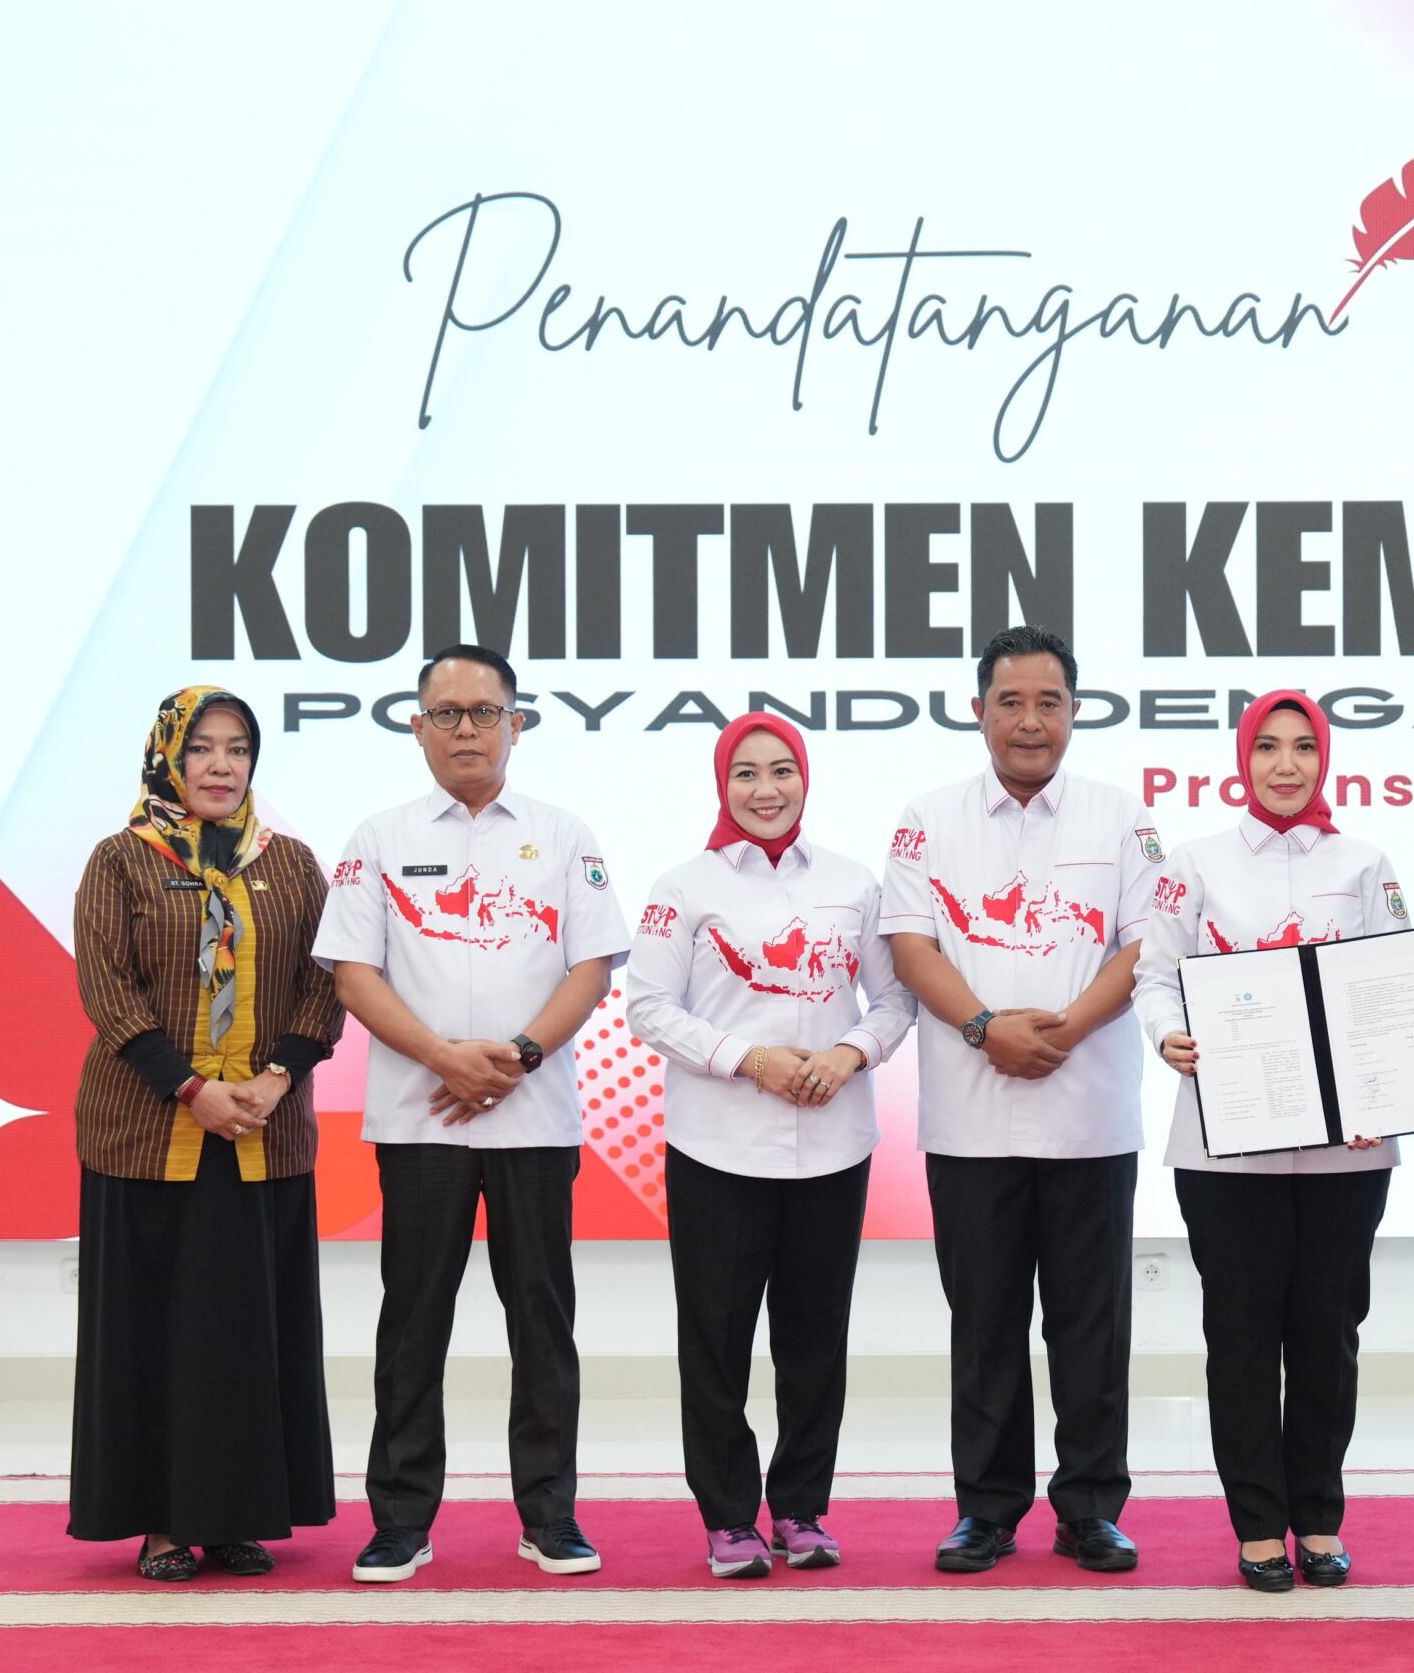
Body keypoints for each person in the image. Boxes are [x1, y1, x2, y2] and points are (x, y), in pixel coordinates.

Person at [312, 644, 631, 1584]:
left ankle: (551, 1517)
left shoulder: (565, 834)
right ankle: (400, 1521)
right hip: (422, 1119)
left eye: (484, 712)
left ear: (515, 724)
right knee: (414, 1320)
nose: (465, 729)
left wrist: (519, 1056)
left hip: (535, 1119)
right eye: (445, 713)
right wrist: (443, 1056)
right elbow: (353, 973)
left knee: (542, 1318)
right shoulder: (378, 837)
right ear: (417, 727)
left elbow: (592, 967)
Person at [881, 625, 1160, 1575]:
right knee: (985, 1324)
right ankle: (987, 1509)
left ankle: (1091, 1507)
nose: (1030, 720)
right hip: (971, 1119)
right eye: (1011, 701)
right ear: (979, 711)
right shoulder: (928, 818)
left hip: (1091, 1115)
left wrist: (1069, 1027)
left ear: (1075, 712)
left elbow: (1144, 944)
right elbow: (910, 946)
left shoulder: (1121, 816)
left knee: (1092, 1327)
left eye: (1049, 702)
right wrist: (983, 1026)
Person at [622, 713, 916, 1578]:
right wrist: (748, 1058)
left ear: (805, 779)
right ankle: (728, 1517)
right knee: (716, 1341)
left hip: (834, 1145)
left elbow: (894, 1000)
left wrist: (848, 1053)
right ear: (722, 784)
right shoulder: (683, 887)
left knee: (815, 1338)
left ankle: (800, 1509)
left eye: (782, 769)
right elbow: (648, 1006)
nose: (765, 788)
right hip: (717, 1147)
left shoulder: (854, 883)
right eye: (745, 772)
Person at [1131, 691, 1406, 1592]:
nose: (1286, 765)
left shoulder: (1364, 863)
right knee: (1242, 1336)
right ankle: (1257, 1524)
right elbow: (1155, 975)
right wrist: (1169, 1034)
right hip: (1226, 1145)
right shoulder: (1193, 863)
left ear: (1324, 759)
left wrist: (1385, 1080)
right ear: (1243, 759)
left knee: (1328, 1333)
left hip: (1344, 1147)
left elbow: (1390, 984)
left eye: (1303, 748)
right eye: (1268, 748)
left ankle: (1318, 1515)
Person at [68, 686, 343, 1581]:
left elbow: (325, 983)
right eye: (202, 748)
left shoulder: (290, 864)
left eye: (238, 749)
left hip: (263, 1131)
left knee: (245, 1333)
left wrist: (273, 1079)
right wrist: (192, 1088)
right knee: (154, 1334)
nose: (221, 766)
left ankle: (236, 1514)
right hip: (147, 1136)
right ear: (168, 758)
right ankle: (160, 1522)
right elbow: (109, 991)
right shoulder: (121, 860)